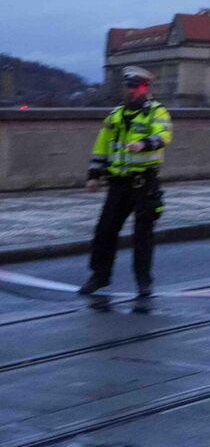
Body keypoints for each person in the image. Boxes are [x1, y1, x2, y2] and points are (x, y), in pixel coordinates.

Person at [78, 66, 173, 297]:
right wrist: (94, 176)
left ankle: (143, 282)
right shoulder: (115, 115)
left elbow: (163, 135)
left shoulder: (157, 112)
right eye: (129, 87)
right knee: (105, 231)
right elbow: (101, 147)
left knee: (143, 236)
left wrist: (144, 144)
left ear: (146, 88)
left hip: (144, 183)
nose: (131, 91)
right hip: (119, 183)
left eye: (136, 87)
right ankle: (99, 276)